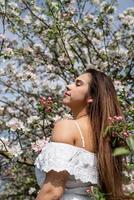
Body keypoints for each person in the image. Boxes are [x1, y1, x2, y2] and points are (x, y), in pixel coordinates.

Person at [35, 68, 125, 200]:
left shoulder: (66, 127)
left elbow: (52, 192)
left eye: (78, 84)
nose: (68, 86)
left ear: (91, 97)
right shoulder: (106, 139)